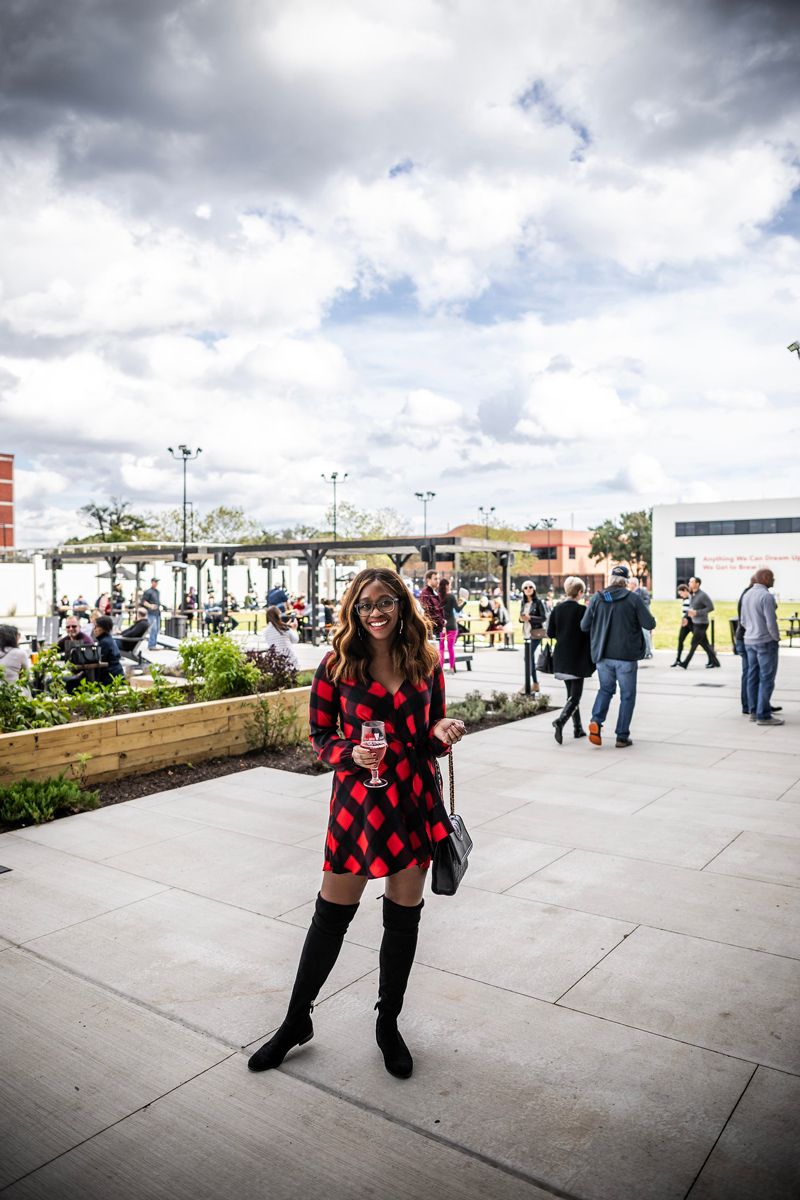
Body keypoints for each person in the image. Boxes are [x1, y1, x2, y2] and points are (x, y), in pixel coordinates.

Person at [247, 566, 465, 1080]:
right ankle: (296, 1020)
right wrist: (351, 753)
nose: (375, 612)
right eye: (365, 604)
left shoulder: (425, 660)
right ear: (353, 610)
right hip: (358, 804)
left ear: (401, 604)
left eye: (385, 601)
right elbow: (320, 736)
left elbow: (430, 730)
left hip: (413, 798)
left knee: (403, 919)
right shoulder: (337, 665)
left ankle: (388, 1025)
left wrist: (442, 730)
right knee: (330, 916)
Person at [580, 565, 656, 748]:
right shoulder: (633, 599)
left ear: (611, 579)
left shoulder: (597, 598)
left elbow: (584, 625)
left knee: (606, 689)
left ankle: (596, 721)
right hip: (626, 656)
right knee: (627, 695)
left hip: (603, 655)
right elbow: (649, 623)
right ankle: (622, 736)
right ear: (626, 581)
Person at [546, 577, 594, 743]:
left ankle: (578, 728)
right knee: (575, 697)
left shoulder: (557, 609)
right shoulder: (582, 610)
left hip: (562, 657)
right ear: (580, 592)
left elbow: (550, 633)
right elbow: (589, 631)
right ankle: (560, 721)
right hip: (577, 657)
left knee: (571, 696)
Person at [740, 568, 783, 727]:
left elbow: (743, 621)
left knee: (753, 677)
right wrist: (776, 638)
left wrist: (752, 631)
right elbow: (771, 623)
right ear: (765, 578)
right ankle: (763, 716)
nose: (774, 580)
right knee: (766, 679)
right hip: (765, 642)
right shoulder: (766, 596)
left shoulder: (747, 595)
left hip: (749, 641)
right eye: (772, 577)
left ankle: (753, 712)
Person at [680, 577, 720, 669]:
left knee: (694, 643)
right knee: (705, 644)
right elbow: (690, 608)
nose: (689, 583)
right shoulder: (692, 594)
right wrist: (685, 617)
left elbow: (711, 607)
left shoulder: (703, 595)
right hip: (695, 623)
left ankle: (685, 663)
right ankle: (716, 662)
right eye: (689, 582)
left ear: (697, 584)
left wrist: (697, 613)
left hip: (702, 623)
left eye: (691, 582)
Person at [91, 615, 124, 685]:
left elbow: (100, 662)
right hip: (117, 674)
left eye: (96, 626)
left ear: (104, 628)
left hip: (110, 678)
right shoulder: (108, 639)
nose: (94, 629)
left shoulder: (104, 642)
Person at [436, 578, 459, 671]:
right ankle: (451, 668)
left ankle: (441, 669)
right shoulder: (451, 596)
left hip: (442, 624)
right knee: (450, 647)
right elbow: (458, 609)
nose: (450, 586)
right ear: (446, 586)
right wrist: (464, 602)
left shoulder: (437, 597)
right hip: (452, 624)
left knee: (441, 648)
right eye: (449, 584)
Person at [670, 584, 693, 667]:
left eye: (681, 593)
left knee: (702, 642)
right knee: (680, 640)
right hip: (685, 623)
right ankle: (678, 659)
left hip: (692, 623)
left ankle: (712, 659)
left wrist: (686, 618)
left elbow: (691, 611)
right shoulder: (685, 599)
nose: (680, 595)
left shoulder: (691, 598)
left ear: (685, 590)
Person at [419, 569, 445, 638]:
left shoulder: (436, 593)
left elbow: (440, 609)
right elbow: (427, 611)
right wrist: (438, 622)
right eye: (435, 579)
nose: (438, 581)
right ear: (428, 580)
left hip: (439, 628)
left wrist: (443, 621)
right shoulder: (425, 593)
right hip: (432, 628)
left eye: (438, 579)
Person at [634, 580, 653, 658]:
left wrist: (638, 605)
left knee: (645, 634)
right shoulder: (630, 593)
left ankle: (648, 652)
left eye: (630, 584)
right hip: (635, 617)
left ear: (634, 584)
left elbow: (647, 601)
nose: (629, 585)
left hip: (643, 616)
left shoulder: (643, 591)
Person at [141, 577, 162, 649]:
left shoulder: (157, 592)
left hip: (157, 613)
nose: (156, 583)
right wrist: (150, 606)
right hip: (151, 613)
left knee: (157, 629)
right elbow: (143, 601)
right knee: (153, 628)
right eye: (155, 582)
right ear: (152, 582)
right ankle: (151, 645)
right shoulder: (148, 591)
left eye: (157, 582)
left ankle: (154, 644)